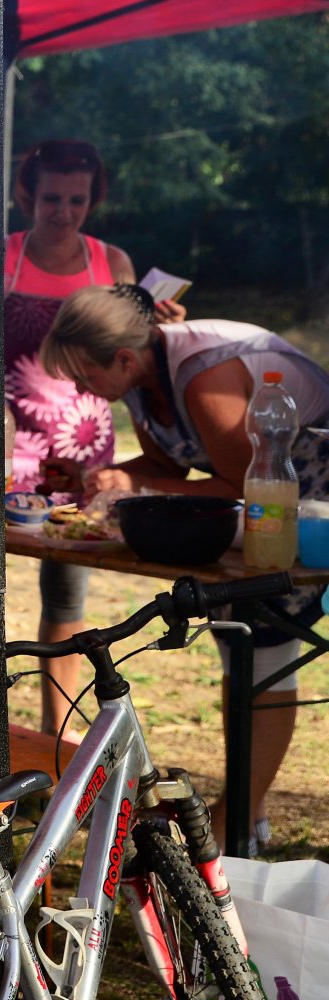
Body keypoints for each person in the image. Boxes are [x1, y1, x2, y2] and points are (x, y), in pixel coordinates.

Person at [0, 141, 182, 769]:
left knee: (66, 595)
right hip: (4, 444)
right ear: (27, 196)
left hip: (81, 449)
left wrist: (164, 322)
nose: (64, 211)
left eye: (77, 200)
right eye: (52, 198)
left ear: (92, 199)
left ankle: (62, 738)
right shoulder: (2, 254)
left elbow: (139, 349)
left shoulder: (112, 260)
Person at [42, 284, 329, 850]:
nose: (80, 389)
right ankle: (248, 806)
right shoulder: (143, 374)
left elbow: (239, 484)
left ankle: (237, 821)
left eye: (85, 376)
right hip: (269, 507)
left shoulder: (203, 377)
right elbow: (163, 461)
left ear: (123, 359)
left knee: (265, 641)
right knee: (240, 644)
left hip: (308, 502)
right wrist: (91, 476)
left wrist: (135, 482)